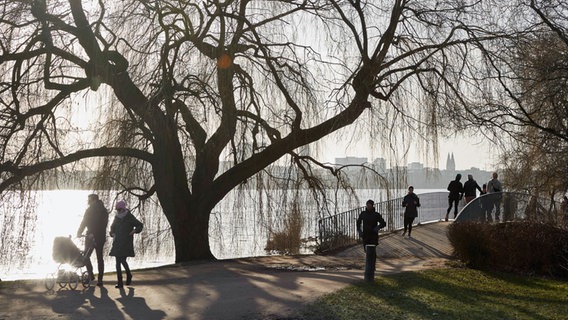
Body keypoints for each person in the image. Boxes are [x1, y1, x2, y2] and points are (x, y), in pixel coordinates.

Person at [109, 200, 143, 288]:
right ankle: (120, 282)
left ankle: (128, 274)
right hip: (117, 242)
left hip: (126, 242)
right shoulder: (116, 218)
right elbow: (112, 228)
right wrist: (112, 233)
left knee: (122, 260)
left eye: (120, 209)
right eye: (117, 210)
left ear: (124, 209)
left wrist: (135, 231)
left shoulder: (129, 217)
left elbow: (139, 225)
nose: (119, 211)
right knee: (117, 263)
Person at [76, 194, 109, 286]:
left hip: (94, 236)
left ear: (94, 200)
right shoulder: (102, 210)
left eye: (89, 200)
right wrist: (80, 232)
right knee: (96, 257)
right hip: (98, 236)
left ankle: (93, 276)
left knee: (87, 256)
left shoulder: (97, 211)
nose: (88, 202)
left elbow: (101, 224)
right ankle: (97, 278)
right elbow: (85, 222)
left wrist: (82, 232)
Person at [356, 200, 387, 282]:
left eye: (370, 205)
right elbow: (358, 222)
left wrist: (378, 227)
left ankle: (371, 267)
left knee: (372, 251)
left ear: (372, 206)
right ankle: (369, 266)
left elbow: (383, 223)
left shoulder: (376, 215)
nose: (368, 206)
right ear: (366, 205)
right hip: (365, 235)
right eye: (367, 205)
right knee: (366, 250)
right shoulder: (363, 214)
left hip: (373, 235)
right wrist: (359, 231)